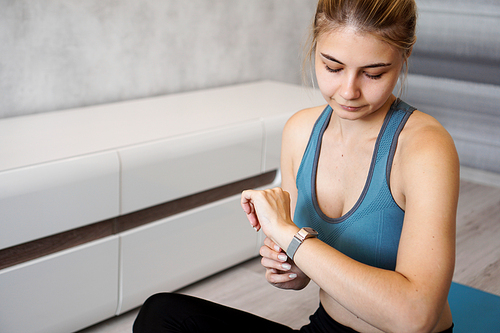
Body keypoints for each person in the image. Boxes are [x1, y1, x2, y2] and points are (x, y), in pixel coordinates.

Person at [133, 0, 459, 332]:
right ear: (315, 45)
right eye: (332, 67)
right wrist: (288, 264)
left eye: (373, 73)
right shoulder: (301, 132)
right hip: (324, 328)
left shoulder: (426, 147)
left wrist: (292, 237)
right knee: (161, 314)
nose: (348, 91)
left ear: (404, 55)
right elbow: (302, 272)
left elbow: (415, 318)